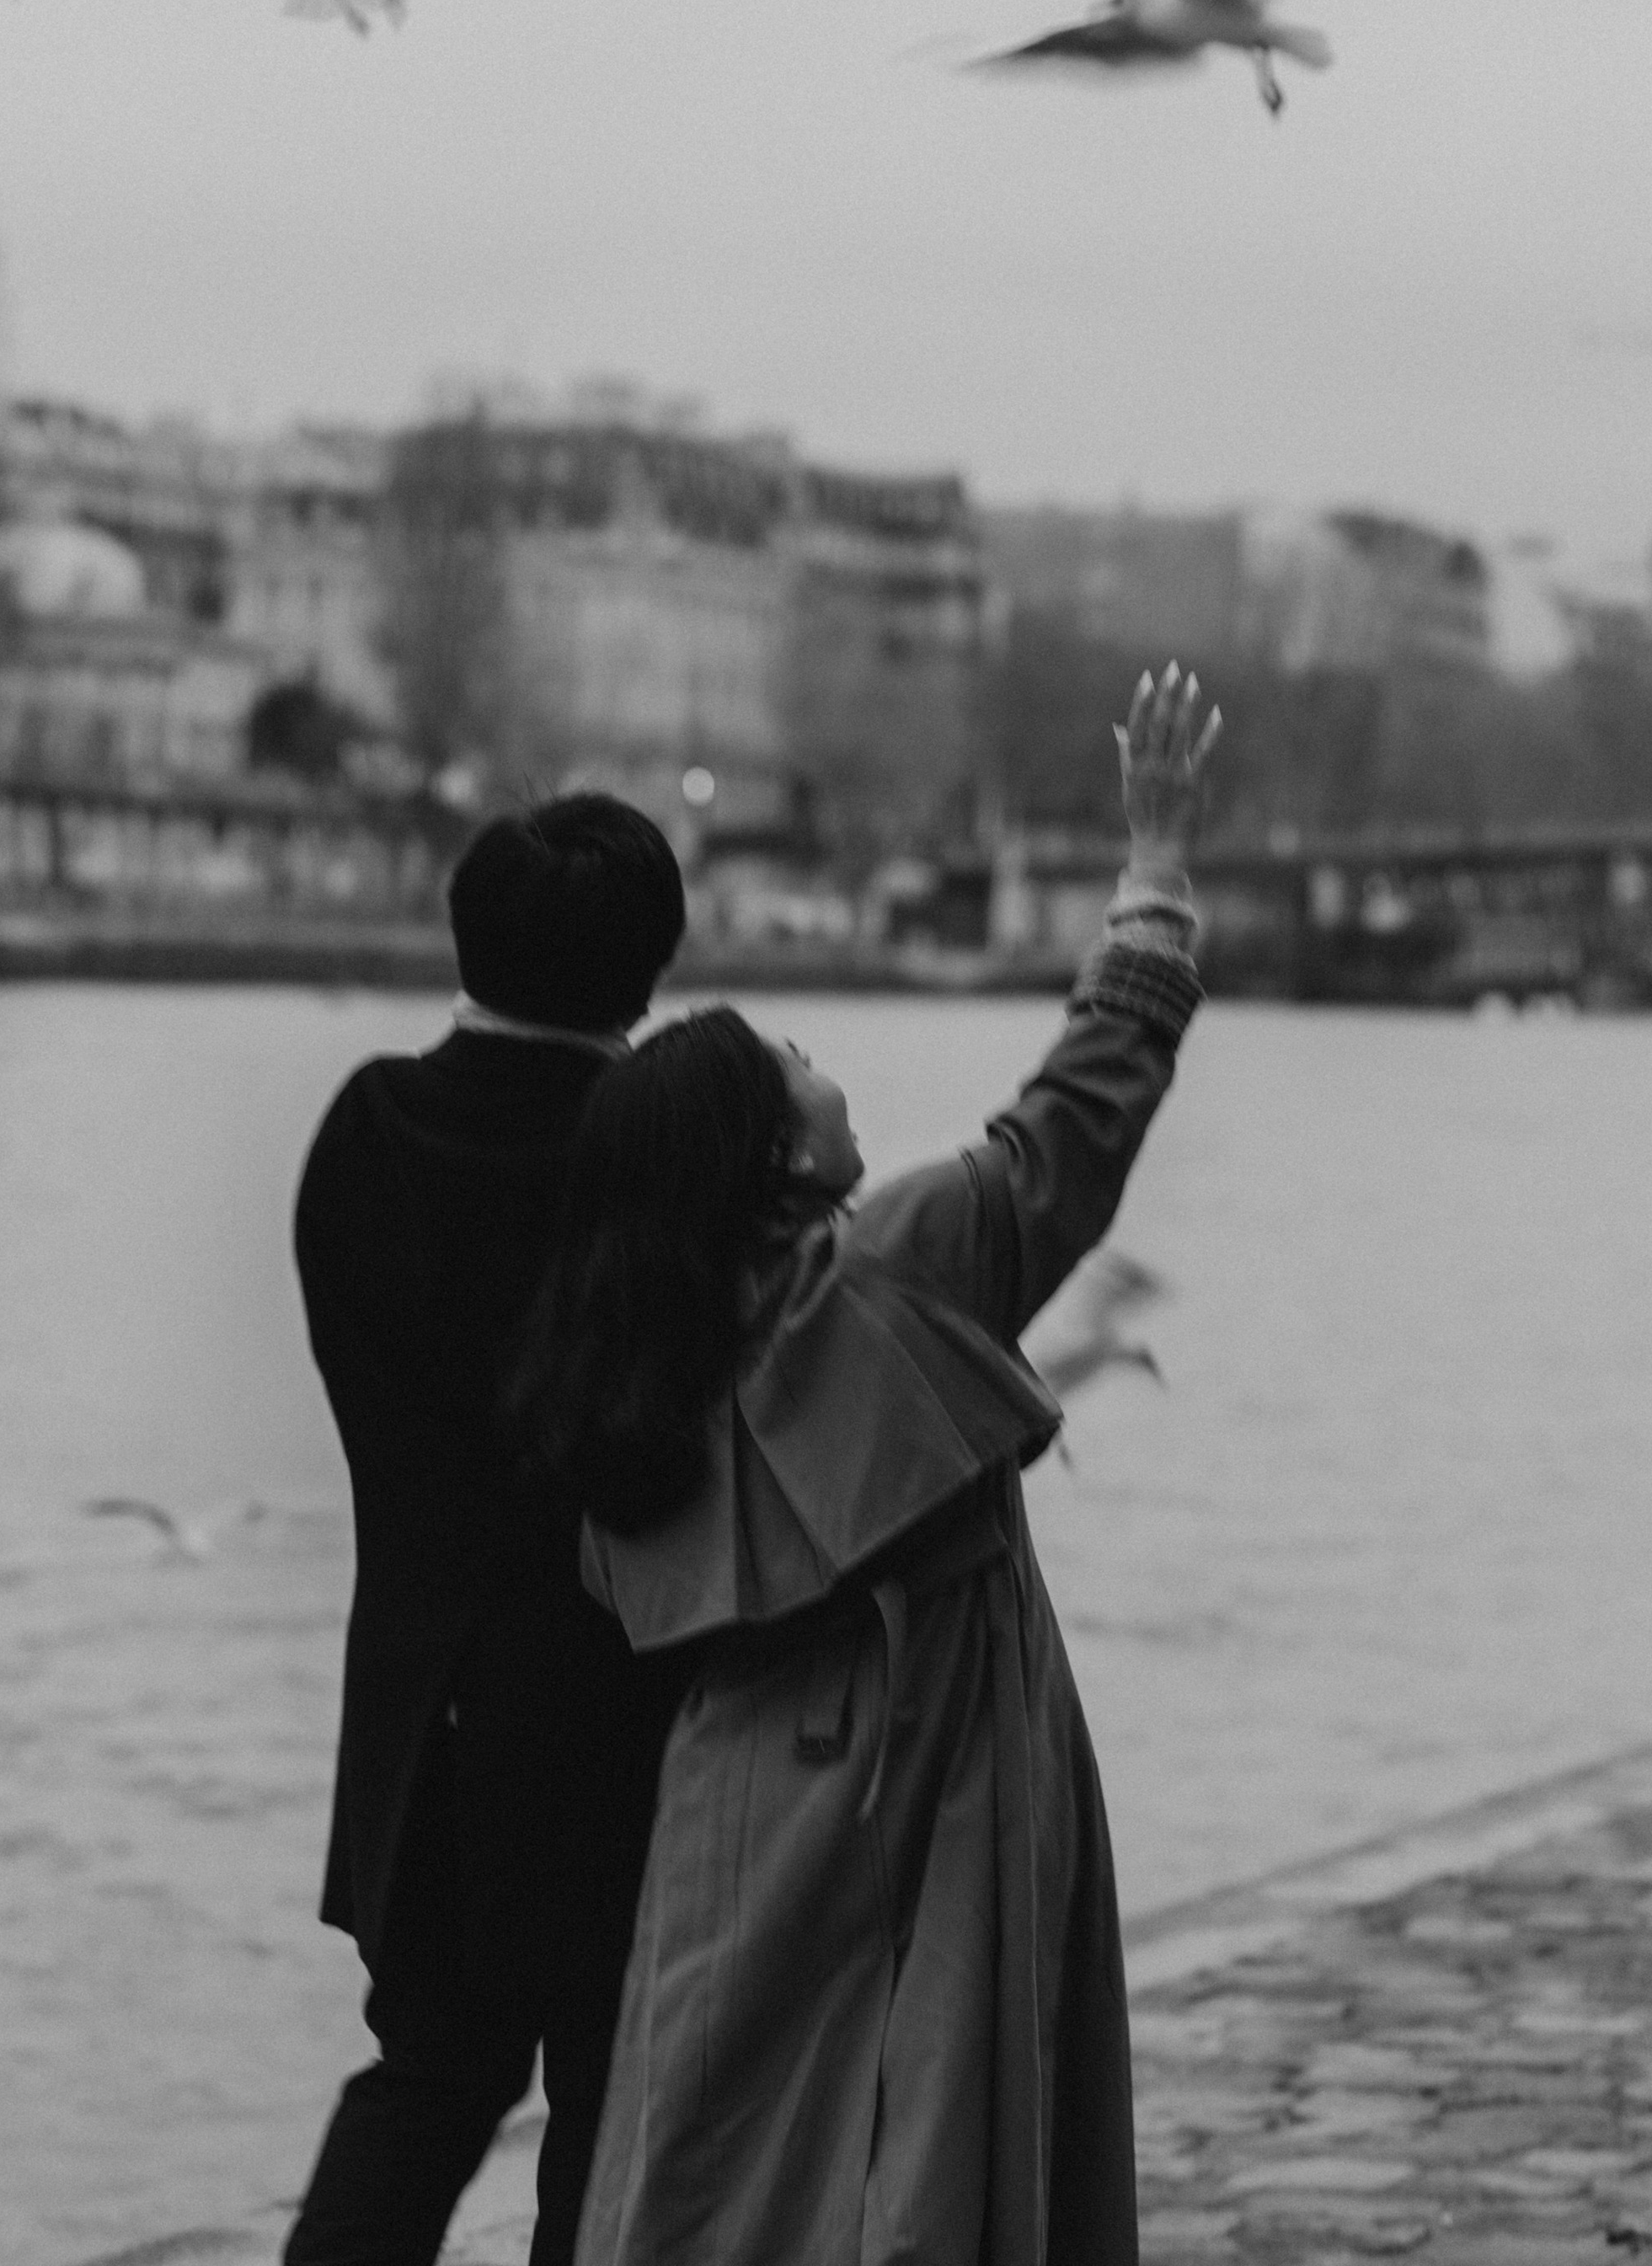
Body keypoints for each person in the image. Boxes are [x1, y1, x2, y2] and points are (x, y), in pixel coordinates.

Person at [514, 665, 1219, 2266]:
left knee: (713, 2153)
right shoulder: (894, 1264)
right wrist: (1156, 865)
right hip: (943, 1764)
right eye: (795, 1057)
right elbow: (1080, 1114)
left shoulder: (640, 1356)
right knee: (940, 2152)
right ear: (776, 1158)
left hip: (740, 1801)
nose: (825, 1064)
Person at [285, 792, 692, 2266]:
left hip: (418, 1708)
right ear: (651, 967)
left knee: (432, 2080)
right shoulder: (651, 1160)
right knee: (612, 2101)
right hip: (617, 1712)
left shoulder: (366, 1128)